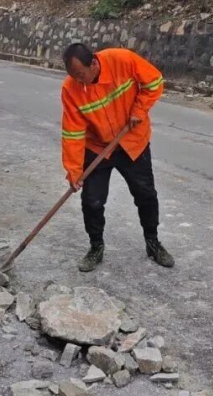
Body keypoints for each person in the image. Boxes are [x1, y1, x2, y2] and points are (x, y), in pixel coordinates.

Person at [60, 43, 175, 273]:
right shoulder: (70, 88)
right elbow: (72, 133)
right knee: (92, 201)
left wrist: (139, 111)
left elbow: (154, 81)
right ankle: (96, 247)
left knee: (146, 194)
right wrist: (73, 171)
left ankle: (153, 243)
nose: (78, 81)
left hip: (132, 141)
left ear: (93, 63)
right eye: (73, 76)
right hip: (97, 148)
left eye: (81, 74)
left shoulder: (121, 60)